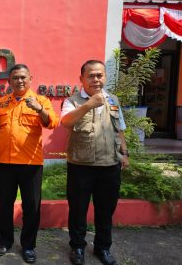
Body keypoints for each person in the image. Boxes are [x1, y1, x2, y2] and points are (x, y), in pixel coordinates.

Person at [61, 60, 129, 265]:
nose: (96, 79)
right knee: (78, 210)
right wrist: (89, 105)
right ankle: (78, 248)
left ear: (105, 77)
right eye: (91, 75)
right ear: (81, 79)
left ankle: (103, 248)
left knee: (105, 211)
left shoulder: (113, 99)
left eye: (100, 75)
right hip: (81, 166)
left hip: (110, 166)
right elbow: (65, 122)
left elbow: (120, 128)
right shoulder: (72, 101)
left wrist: (125, 153)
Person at [0, 64, 59, 263]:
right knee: (4, 205)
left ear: (30, 78)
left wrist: (40, 110)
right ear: (9, 81)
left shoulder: (41, 100)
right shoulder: (1, 103)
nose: (19, 81)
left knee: (31, 206)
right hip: (5, 162)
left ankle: (28, 246)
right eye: (15, 78)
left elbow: (52, 122)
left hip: (31, 164)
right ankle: (4, 242)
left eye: (23, 77)